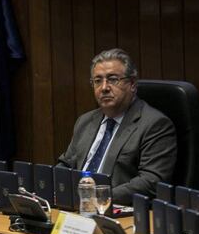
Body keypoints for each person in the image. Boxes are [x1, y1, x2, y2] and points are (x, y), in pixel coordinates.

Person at [57, 48, 177, 205]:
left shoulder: (155, 125)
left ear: (132, 84)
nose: (104, 87)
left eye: (113, 79)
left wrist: (97, 198)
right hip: (76, 207)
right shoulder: (85, 121)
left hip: (118, 211)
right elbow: (66, 164)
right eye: (98, 81)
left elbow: (151, 182)